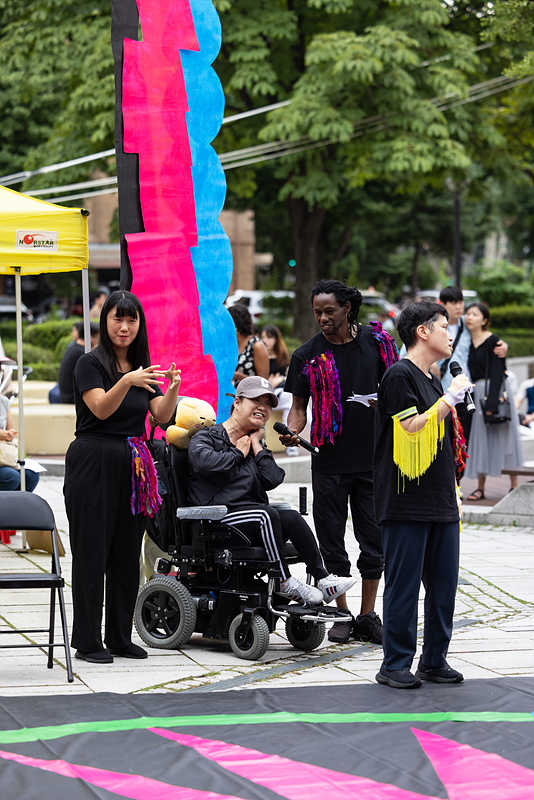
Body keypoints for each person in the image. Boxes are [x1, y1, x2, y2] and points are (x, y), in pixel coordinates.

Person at [63, 290, 181, 664]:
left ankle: (119, 637)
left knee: (126, 554)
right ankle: (87, 641)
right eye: (118, 318)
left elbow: (161, 416)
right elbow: (99, 408)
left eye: (132, 320)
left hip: (134, 466)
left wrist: (173, 389)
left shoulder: (141, 366)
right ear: (105, 321)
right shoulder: (89, 363)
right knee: (91, 552)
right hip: (93, 460)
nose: (125, 326)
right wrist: (127, 380)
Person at [281, 279, 398, 644]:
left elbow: (397, 391)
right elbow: (299, 409)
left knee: (373, 539)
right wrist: (291, 431)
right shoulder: (307, 355)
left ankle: (368, 614)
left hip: (373, 459)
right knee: (331, 542)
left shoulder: (378, 345)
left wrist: (386, 406)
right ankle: (342, 613)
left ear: (348, 308)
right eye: (317, 312)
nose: (322, 318)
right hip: (329, 460)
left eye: (329, 311)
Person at [187, 375, 356, 606]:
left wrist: (256, 446)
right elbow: (204, 463)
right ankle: (284, 580)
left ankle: (323, 578)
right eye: (256, 400)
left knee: (290, 516)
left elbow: (273, 478)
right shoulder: (207, 437)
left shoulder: (252, 443)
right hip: (219, 520)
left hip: (251, 520)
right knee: (266, 514)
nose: (263, 408)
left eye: (267, 404)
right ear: (237, 402)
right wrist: (237, 452)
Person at [374, 301, 471, 689]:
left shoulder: (431, 377)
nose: (450, 333)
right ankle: (395, 663)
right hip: (404, 500)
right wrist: (451, 399)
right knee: (404, 584)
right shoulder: (400, 376)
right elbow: (411, 427)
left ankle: (434, 660)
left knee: (444, 584)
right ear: (422, 331)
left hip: (440, 499)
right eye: (444, 326)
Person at [463, 302, 523, 500]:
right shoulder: (466, 341)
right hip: (478, 393)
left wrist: (493, 403)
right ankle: (480, 488)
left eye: (474, 314)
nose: (469, 317)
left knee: (506, 438)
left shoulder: (494, 341)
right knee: (481, 439)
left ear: (485, 320)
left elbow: (498, 372)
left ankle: (514, 485)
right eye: (468, 313)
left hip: (495, 393)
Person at [48, 321, 99, 404]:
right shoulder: (82, 354)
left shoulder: (73, 348)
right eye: (98, 337)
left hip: (63, 394)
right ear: (90, 337)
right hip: (70, 397)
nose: (99, 341)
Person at [0, 393, 39, 492]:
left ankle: (16, 505)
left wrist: (9, 434)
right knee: (11, 477)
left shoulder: (3, 401)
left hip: (4, 457)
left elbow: (10, 430)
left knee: (31, 474)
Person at [228, 303, 269, 386]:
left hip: (250, 396)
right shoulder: (230, 344)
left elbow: (264, 382)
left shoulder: (256, 346)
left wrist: (238, 376)